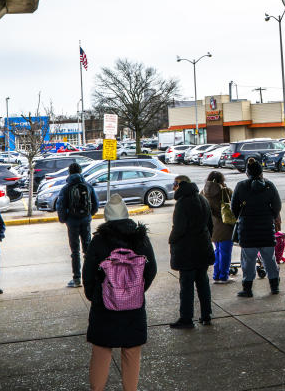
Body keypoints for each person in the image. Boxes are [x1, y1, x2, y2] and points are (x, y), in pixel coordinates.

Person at [83, 193, 157, 391]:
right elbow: (152, 269)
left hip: (104, 307)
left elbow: (88, 274)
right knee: (131, 353)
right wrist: (136, 291)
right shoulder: (140, 238)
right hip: (134, 307)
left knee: (101, 351)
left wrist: (96, 296)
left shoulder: (99, 241)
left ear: (107, 217)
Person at [168, 175, 215, 328]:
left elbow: (179, 228)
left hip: (187, 251)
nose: (174, 186)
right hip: (203, 247)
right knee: (203, 283)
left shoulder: (182, 203)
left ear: (180, 185)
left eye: (175, 183)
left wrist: (172, 239)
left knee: (186, 286)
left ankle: (186, 319)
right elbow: (210, 226)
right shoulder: (203, 199)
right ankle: (206, 315)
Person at [231, 158, 282, 297]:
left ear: (247, 173)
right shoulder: (269, 186)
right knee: (269, 259)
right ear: (261, 172)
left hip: (247, 230)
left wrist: (242, 217)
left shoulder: (240, 186)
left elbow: (233, 207)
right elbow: (277, 206)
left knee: (248, 261)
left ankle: (247, 289)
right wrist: (270, 216)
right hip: (266, 229)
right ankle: (274, 287)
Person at [56, 161, 99, 288]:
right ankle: (90, 276)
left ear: (69, 172)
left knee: (75, 251)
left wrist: (64, 220)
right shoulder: (88, 186)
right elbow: (96, 204)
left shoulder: (66, 188)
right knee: (87, 249)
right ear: (80, 172)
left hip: (72, 222)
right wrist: (89, 215)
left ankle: (77, 279)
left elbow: (61, 206)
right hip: (85, 220)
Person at [202, 171, 235, 283]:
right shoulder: (225, 191)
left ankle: (216, 275)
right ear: (222, 180)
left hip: (212, 227)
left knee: (217, 251)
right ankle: (224, 276)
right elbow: (233, 206)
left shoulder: (203, 192)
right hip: (225, 226)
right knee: (225, 252)